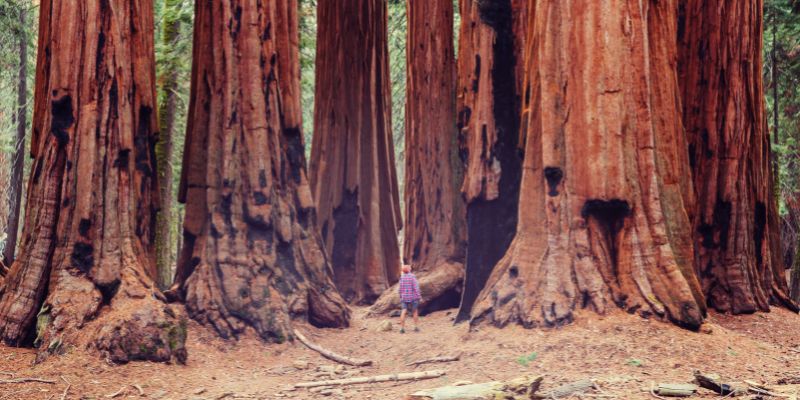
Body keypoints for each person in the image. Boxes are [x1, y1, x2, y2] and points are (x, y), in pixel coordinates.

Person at [398, 264, 421, 333]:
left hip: (404, 297)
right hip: (413, 297)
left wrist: (401, 296)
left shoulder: (402, 277)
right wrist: (419, 296)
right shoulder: (412, 277)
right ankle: (416, 327)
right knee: (414, 311)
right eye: (409, 267)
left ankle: (402, 328)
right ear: (409, 269)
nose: (410, 268)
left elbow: (400, 289)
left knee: (403, 311)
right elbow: (416, 287)